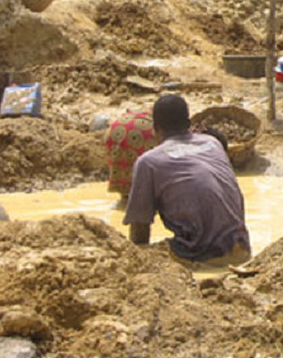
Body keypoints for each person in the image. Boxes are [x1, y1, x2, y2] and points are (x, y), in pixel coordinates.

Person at [123, 94, 251, 266]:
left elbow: (139, 229)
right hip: (242, 249)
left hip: (201, 256)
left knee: (139, 256)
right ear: (188, 123)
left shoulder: (149, 162)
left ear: (155, 129)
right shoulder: (213, 143)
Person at [105, 112, 157, 201]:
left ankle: (125, 198)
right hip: (144, 132)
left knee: (124, 166)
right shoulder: (179, 131)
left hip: (116, 128)